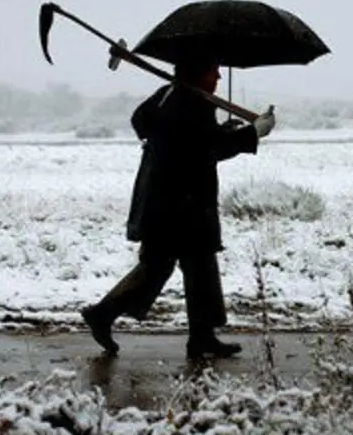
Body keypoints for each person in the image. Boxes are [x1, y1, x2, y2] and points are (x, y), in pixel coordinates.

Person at [80, 58, 276, 359]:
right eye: (213, 70)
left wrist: (218, 130)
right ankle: (104, 314)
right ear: (198, 73)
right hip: (180, 203)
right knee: (165, 264)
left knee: (198, 266)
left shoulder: (170, 95)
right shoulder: (189, 102)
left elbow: (161, 128)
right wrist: (252, 133)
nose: (219, 75)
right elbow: (204, 148)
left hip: (171, 199)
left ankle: (202, 336)